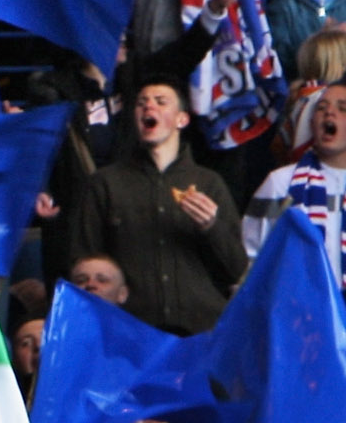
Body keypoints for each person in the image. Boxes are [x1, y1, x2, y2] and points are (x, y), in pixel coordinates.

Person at [56, 81, 246, 335]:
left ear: (181, 119)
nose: (149, 106)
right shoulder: (105, 183)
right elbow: (83, 261)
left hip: (201, 332)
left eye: (160, 101)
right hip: (132, 333)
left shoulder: (208, 183)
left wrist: (212, 227)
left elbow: (237, 269)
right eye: (141, 102)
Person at [243, 80, 346, 294]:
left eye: (343, 109)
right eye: (321, 108)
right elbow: (252, 257)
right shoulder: (280, 183)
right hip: (302, 313)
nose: (329, 114)